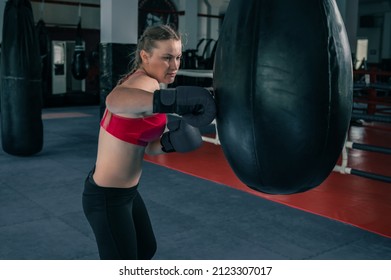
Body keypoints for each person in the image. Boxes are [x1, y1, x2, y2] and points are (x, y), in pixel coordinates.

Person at [82, 24, 216, 260]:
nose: (174, 66)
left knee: (146, 250)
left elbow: (151, 147)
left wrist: (172, 141)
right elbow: (114, 100)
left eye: (177, 57)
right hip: (106, 197)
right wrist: (175, 101)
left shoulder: (152, 91)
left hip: (127, 193)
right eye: (166, 58)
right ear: (145, 56)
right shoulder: (141, 83)